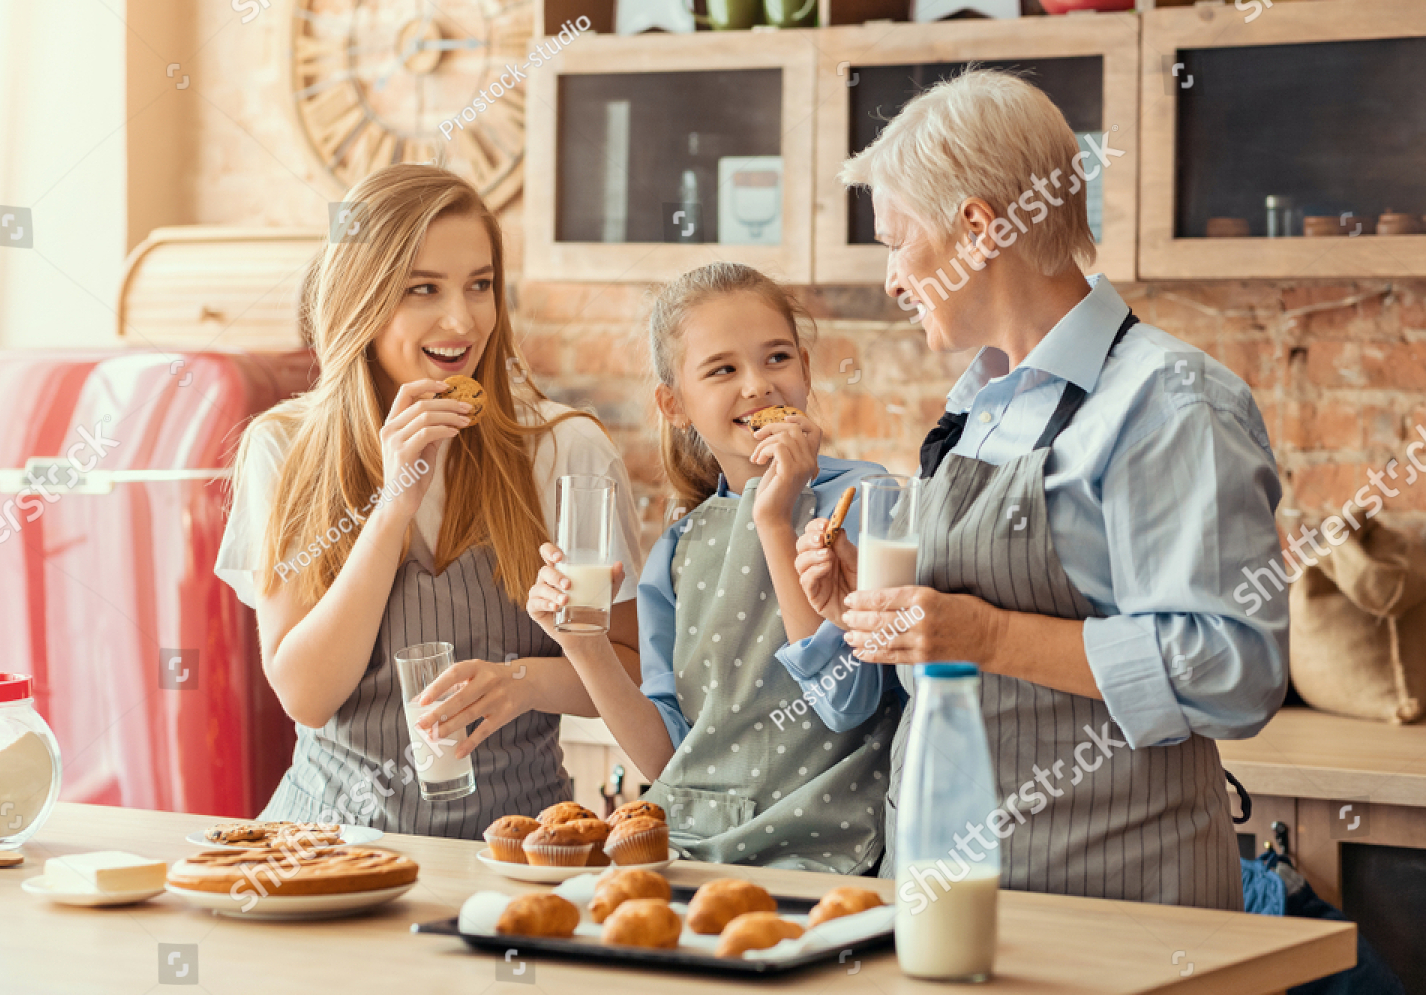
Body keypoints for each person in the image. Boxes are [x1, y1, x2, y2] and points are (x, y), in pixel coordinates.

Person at [796, 70, 1288, 908]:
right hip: (945, 889)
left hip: (1113, 904)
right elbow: (960, 668)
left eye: (895, 241)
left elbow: (1234, 667)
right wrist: (874, 614)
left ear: (980, 228)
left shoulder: (1166, 401)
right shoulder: (976, 405)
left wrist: (985, 633)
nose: (890, 278)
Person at [215, 164, 644, 837]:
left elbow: (634, 669)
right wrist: (392, 505)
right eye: (423, 288)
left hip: (518, 852)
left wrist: (524, 681)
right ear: (361, 296)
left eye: (480, 285)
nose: (462, 319)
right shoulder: (284, 449)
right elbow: (307, 695)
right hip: (327, 844)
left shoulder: (564, 451)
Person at [528, 262, 901, 874]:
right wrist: (583, 645)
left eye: (776, 358)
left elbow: (847, 702)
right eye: (723, 369)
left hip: (821, 859)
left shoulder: (866, 501)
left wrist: (776, 518)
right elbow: (665, 757)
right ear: (674, 405)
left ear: (805, 371)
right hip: (691, 851)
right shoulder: (678, 549)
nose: (758, 385)